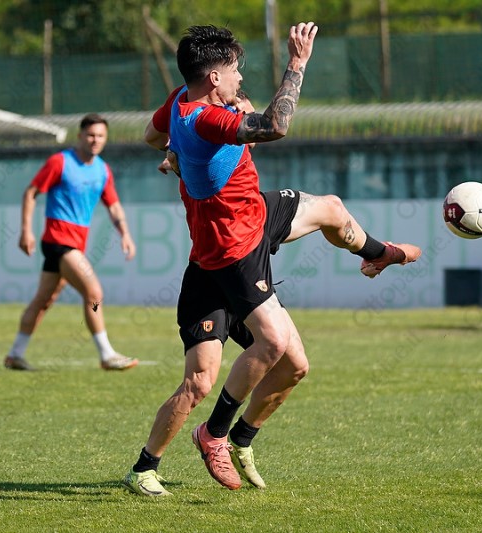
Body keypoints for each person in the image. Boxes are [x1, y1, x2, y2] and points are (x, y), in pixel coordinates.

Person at [122, 25, 420, 496]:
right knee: (213, 375)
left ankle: (377, 254)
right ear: (214, 77)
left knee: (330, 213)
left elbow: (150, 135)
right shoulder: (205, 120)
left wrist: (177, 156)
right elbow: (275, 126)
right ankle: (184, 448)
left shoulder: (180, 100)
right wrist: (297, 62)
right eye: (235, 70)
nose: (240, 77)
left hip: (255, 217)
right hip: (229, 254)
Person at [4, 114, 139, 371]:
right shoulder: (60, 162)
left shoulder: (102, 170)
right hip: (58, 241)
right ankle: (107, 354)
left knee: (44, 300)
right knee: (94, 293)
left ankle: (15, 354)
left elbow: (113, 205)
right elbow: (31, 193)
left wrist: (125, 234)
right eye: (90, 135)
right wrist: (25, 232)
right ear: (80, 136)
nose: (95, 140)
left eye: (100, 136)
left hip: (76, 243)